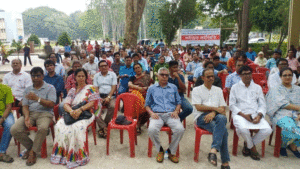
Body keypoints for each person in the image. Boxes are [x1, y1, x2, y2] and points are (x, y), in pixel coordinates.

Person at [50, 68, 100, 168]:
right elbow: (66, 104)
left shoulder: (91, 88)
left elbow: (92, 103)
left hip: (86, 114)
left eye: (83, 76)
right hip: (72, 113)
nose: (81, 78)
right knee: (59, 125)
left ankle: (76, 155)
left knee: (76, 128)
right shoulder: (72, 90)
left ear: (86, 77)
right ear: (75, 78)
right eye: (78, 76)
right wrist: (72, 111)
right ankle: (63, 154)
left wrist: (80, 110)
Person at [10, 67, 56, 166]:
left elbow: (51, 104)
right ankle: (33, 147)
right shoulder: (28, 89)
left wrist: (37, 99)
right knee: (14, 129)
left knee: (43, 128)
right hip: (30, 113)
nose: (35, 78)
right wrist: (26, 117)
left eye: (38, 75)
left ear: (43, 76)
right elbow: (25, 105)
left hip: (45, 114)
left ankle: (33, 153)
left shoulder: (50, 88)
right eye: (33, 76)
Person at [229, 66, 272, 161]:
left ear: (252, 74)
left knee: (268, 130)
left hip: (255, 114)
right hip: (240, 114)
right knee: (243, 129)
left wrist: (259, 115)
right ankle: (252, 147)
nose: (247, 76)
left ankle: (248, 144)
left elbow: (262, 104)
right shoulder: (234, 88)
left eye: (249, 73)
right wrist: (243, 115)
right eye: (244, 74)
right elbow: (232, 105)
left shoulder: (257, 87)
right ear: (240, 75)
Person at [192, 68, 230, 169]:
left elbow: (222, 107)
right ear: (202, 78)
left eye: (212, 76)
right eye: (208, 76)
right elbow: (199, 107)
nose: (211, 78)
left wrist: (213, 113)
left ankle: (213, 151)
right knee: (224, 131)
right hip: (201, 116)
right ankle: (225, 162)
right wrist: (214, 109)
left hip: (216, 115)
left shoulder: (218, 90)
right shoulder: (196, 90)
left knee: (222, 118)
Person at [146, 67, 184, 163]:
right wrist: (151, 113)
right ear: (157, 76)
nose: (164, 76)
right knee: (151, 129)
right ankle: (160, 150)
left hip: (170, 114)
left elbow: (179, 102)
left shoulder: (173, 87)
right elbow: (146, 105)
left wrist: (176, 111)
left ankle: (171, 151)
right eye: (162, 74)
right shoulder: (151, 88)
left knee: (180, 129)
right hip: (157, 114)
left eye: (166, 75)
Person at [266, 67, 300, 158]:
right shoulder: (275, 89)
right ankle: (283, 145)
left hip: (297, 113)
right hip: (281, 114)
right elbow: (284, 105)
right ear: (280, 77)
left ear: (293, 77)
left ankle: (293, 145)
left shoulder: (298, 89)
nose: (287, 77)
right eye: (285, 75)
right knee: (290, 127)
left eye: (290, 75)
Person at [93, 60, 117, 138]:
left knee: (113, 106)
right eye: (101, 66)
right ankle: (104, 128)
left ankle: (103, 126)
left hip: (110, 96)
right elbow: (95, 88)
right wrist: (99, 98)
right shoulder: (96, 75)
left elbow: (114, 87)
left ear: (108, 66)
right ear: (99, 67)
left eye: (105, 65)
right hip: (99, 96)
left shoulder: (112, 74)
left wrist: (109, 97)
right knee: (94, 108)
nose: (104, 67)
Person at [128, 63, 152, 134]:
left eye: (138, 67)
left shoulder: (147, 76)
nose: (137, 69)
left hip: (146, 94)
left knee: (148, 105)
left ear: (141, 68)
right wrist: (139, 88)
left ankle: (138, 124)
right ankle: (137, 124)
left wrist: (145, 88)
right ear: (134, 70)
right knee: (137, 98)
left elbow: (153, 85)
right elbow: (129, 84)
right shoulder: (133, 77)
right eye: (135, 68)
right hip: (136, 95)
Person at [0, 84, 15, 163]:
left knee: (10, 125)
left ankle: (2, 152)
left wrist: (2, 119)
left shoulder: (6, 89)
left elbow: (9, 107)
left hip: (5, 113)